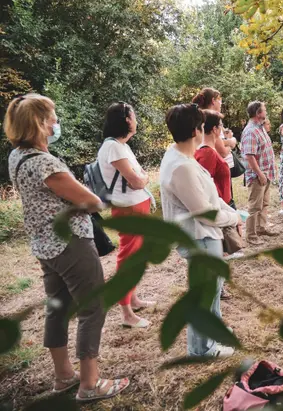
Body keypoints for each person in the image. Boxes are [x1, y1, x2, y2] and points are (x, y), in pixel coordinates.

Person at [5, 94, 129, 401]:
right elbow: (89, 201)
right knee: (93, 307)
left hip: (44, 245)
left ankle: (63, 376)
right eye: (52, 117)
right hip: (69, 244)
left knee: (57, 307)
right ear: (40, 123)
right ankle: (90, 383)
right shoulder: (46, 163)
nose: (56, 122)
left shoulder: (16, 157)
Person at [159, 103, 240, 358]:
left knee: (212, 289)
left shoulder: (180, 156)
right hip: (200, 236)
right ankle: (202, 349)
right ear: (197, 130)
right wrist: (234, 216)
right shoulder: (181, 166)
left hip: (202, 235)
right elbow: (204, 211)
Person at [97, 102, 155, 329]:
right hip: (128, 209)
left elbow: (139, 177)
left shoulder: (121, 145)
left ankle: (133, 298)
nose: (137, 119)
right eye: (134, 116)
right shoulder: (113, 147)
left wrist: (143, 178)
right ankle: (126, 313)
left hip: (136, 206)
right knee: (128, 259)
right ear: (125, 120)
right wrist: (144, 178)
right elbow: (137, 179)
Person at [195, 110, 245, 261]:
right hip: (217, 207)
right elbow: (205, 185)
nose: (223, 129)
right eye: (221, 125)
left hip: (222, 204)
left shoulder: (210, 150)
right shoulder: (207, 153)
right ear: (215, 129)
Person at [192, 88, 239, 207]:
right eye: (220, 100)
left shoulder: (203, 116)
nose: (221, 103)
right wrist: (231, 143)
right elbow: (222, 151)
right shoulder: (208, 153)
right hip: (219, 200)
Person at [240, 101, 278, 245]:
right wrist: (260, 174)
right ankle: (251, 236)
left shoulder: (260, 128)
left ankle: (261, 228)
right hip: (257, 176)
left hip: (266, 173)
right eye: (264, 110)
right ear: (258, 113)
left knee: (264, 204)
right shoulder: (250, 131)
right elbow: (249, 156)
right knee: (254, 207)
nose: (266, 112)